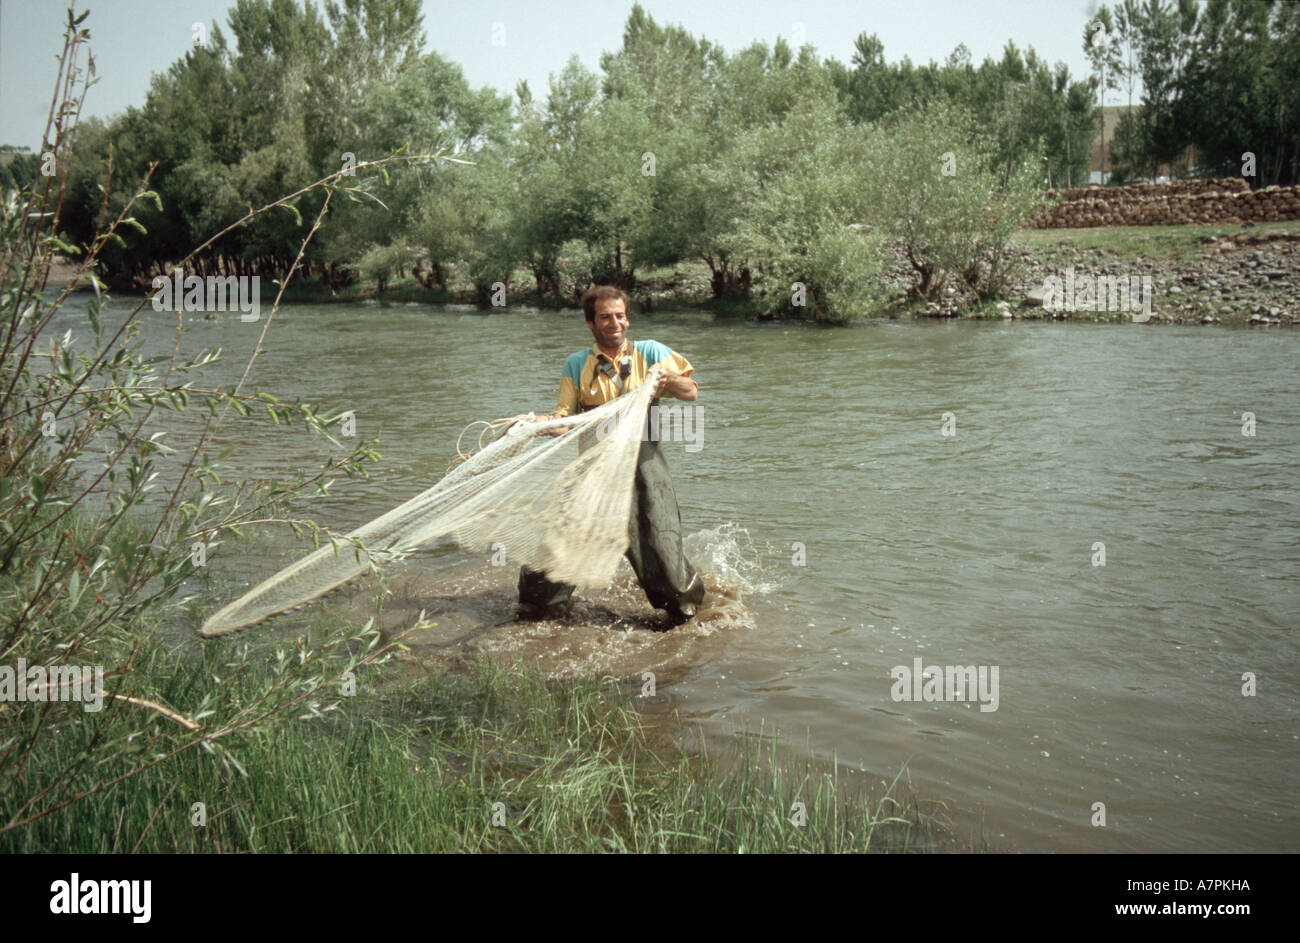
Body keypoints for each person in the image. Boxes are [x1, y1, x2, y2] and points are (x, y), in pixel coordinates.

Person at [517, 285, 706, 626]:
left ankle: (687, 609)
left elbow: (691, 392)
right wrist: (536, 424)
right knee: (559, 541)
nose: (614, 322)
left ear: (628, 320)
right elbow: (564, 421)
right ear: (591, 324)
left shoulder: (651, 352)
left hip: (646, 470)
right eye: (605, 317)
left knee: (659, 545)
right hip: (592, 471)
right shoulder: (577, 364)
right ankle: (537, 608)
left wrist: (667, 377)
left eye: (619, 316)